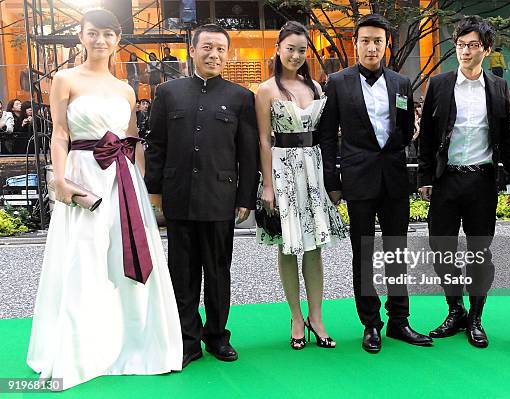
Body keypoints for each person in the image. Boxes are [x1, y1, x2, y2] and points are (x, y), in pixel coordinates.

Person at [26, 9, 182, 390]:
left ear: (117, 39)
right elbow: (59, 134)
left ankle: (134, 343)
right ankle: (81, 350)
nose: (100, 41)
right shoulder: (64, 79)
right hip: (83, 175)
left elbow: (131, 139)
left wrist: (142, 184)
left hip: (123, 181)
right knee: (85, 256)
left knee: (123, 254)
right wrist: (60, 180)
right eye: (93, 33)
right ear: (81, 36)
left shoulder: (125, 89)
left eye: (108, 34)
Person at [145, 23, 259, 367]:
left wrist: (245, 198)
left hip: (220, 197)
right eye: (207, 47)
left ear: (227, 54)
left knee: (218, 270)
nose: (214, 54)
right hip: (178, 196)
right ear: (192, 50)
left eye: (221, 49)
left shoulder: (241, 97)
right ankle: (187, 340)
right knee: (182, 272)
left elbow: (248, 153)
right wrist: (154, 191)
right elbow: (156, 145)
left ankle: (217, 336)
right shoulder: (168, 93)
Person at [319, 14, 432, 354]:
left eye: (377, 41)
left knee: (397, 252)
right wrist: (332, 180)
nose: (371, 47)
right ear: (356, 43)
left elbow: (402, 128)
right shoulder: (337, 82)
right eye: (365, 40)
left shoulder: (401, 82)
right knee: (363, 254)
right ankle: (370, 323)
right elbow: (326, 137)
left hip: (395, 177)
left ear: (386, 45)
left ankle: (399, 319)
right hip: (357, 179)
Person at [417, 16, 510, 348]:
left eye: (473, 45)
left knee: (480, 252)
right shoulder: (440, 84)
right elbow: (428, 139)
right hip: (446, 180)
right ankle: (455, 310)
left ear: (487, 49)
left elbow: (505, 137)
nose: (465, 51)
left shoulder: (498, 87)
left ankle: (476, 318)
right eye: (461, 44)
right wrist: (424, 177)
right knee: (441, 249)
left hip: (482, 181)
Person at [256, 21, 348, 350]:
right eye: (289, 48)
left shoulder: (317, 88)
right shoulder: (266, 90)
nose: (295, 55)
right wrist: (267, 184)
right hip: (281, 168)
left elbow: (325, 135)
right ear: (278, 50)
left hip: (313, 168)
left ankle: (317, 317)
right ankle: (296, 317)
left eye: (301, 50)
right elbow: (264, 141)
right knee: (287, 245)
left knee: (313, 247)